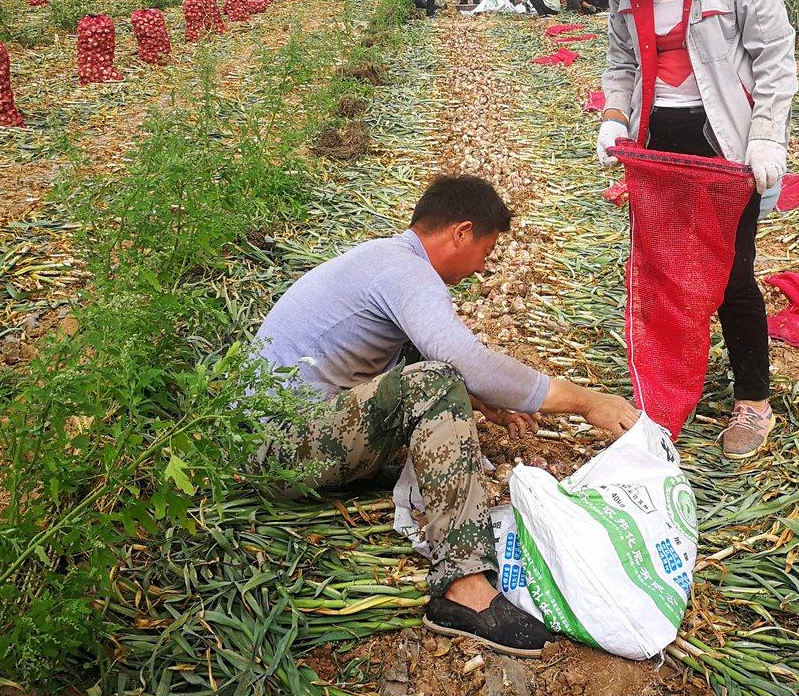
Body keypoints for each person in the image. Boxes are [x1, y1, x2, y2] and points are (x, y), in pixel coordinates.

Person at [252, 174, 639, 656]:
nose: (482, 268)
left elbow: (403, 361)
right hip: (279, 450)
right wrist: (585, 400)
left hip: (296, 433)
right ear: (461, 231)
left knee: (440, 377)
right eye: (485, 251)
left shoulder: (385, 260)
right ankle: (464, 589)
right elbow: (465, 362)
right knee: (438, 381)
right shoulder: (404, 272)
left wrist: (474, 399)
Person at [592, 0, 798, 460]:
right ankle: (669, 383)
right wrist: (612, 116)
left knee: (732, 272)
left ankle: (753, 400)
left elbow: (774, 58)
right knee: (660, 270)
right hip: (657, 145)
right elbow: (622, 60)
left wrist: (767, 133)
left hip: (724, 140)